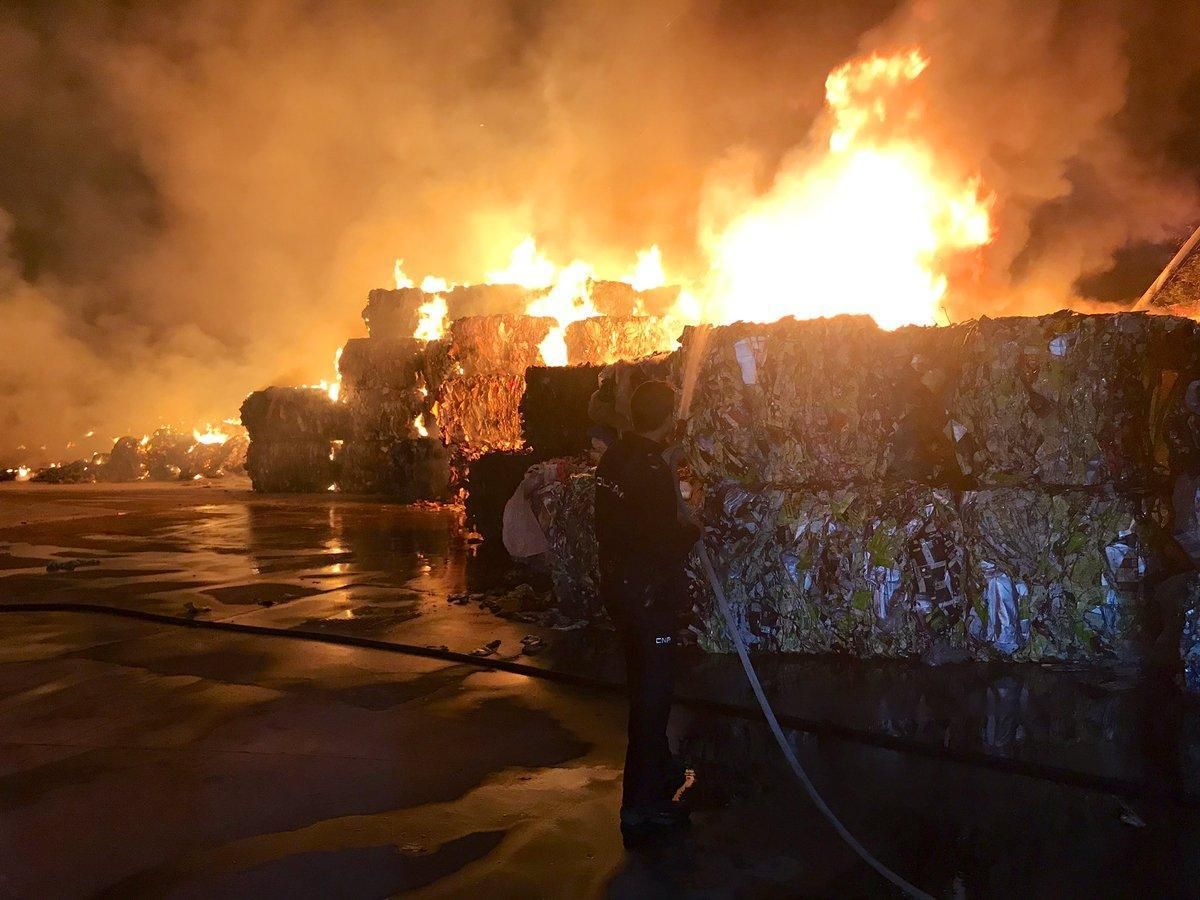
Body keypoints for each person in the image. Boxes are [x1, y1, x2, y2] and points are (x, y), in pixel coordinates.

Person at [594, 379, 700, 842]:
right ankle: (642, 804)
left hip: (619, 590)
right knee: (653, 698)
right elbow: (660, 540)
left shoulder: (615, 457)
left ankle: (659, 771)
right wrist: (694, 530)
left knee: (642, 686)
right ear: (667, 418)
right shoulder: (652, 468)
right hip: (649, 597)